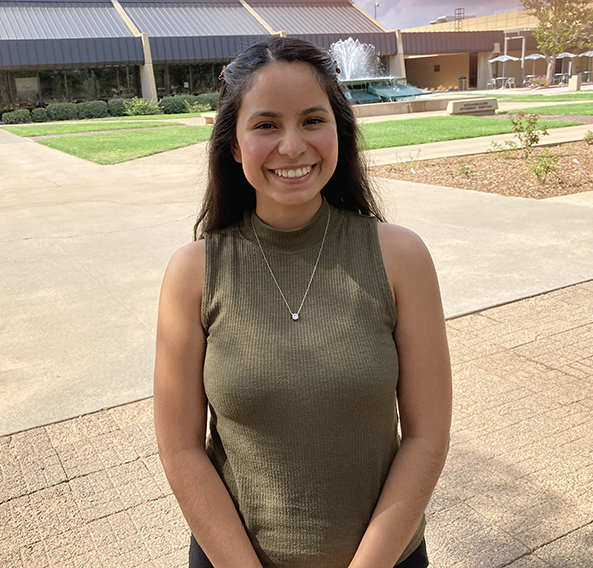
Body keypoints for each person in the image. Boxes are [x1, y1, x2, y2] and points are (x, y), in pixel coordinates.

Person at [154, 36, 452, 568]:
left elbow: (427, 437)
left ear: (339, 130)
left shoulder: (400, 257)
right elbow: (180, 450)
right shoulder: (193, 273)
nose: (292, 146)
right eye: (266, 125)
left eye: (313, 120)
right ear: (235, 144)